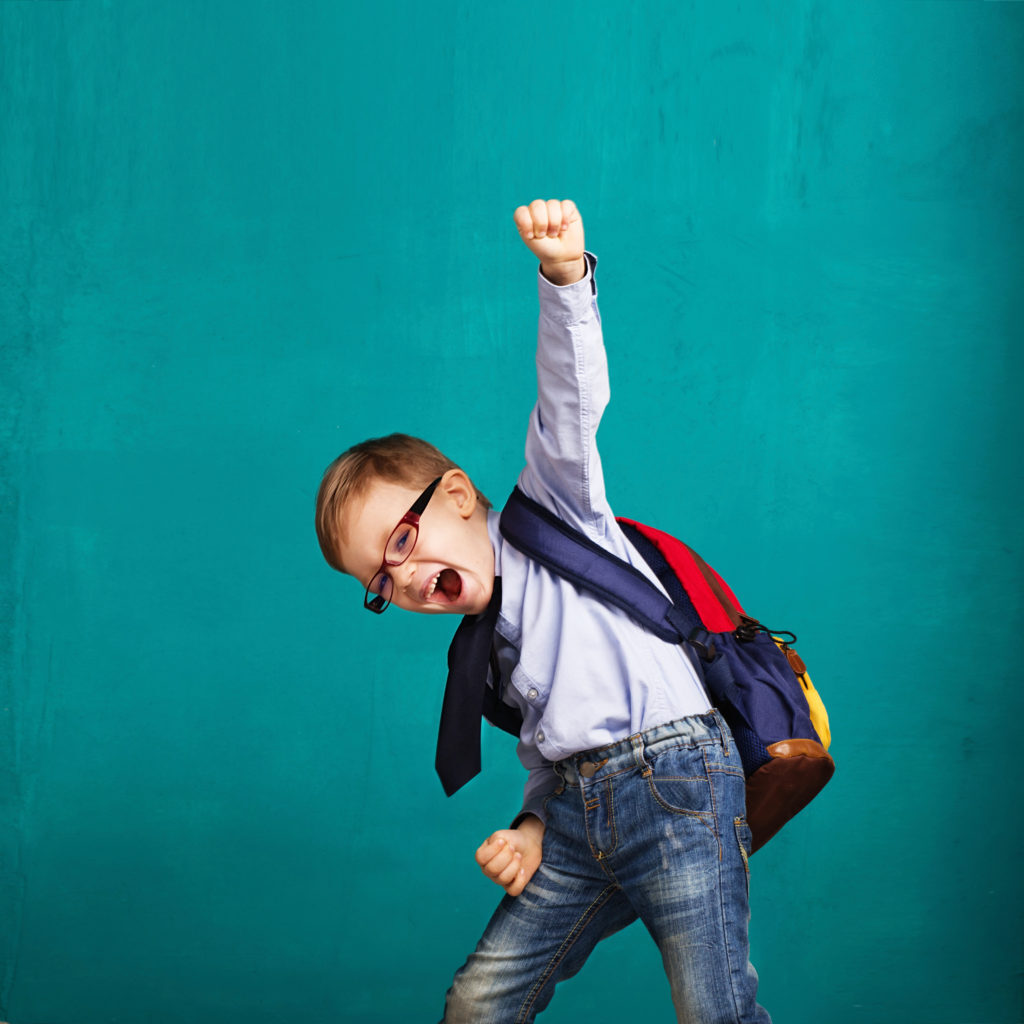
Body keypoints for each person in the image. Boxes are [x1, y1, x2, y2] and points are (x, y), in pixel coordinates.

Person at [314, 199, 771, 1023]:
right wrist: (531, 827)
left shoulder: (555, 510)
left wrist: (564, 279)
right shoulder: (480, 651)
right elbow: (544, 751)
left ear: (456, 495)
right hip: (572, 812)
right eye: (381, 582)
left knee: (715, 1009)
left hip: (674, 783)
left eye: (404, 538)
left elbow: (570, 399)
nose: (406, 577)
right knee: (479, 1002)